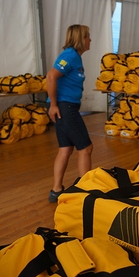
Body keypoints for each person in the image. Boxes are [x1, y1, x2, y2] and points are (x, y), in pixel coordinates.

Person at [46, 24, 93, 203]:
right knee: (86, 148)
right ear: (80, 39)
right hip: (65, 108)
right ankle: (87, 191)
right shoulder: (70, 56)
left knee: (65, 149)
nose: (90, 40)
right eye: (87, 36)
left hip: (67, 107)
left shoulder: (75, 58)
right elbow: (51, 76)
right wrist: (53, 105)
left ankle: (56, 190)